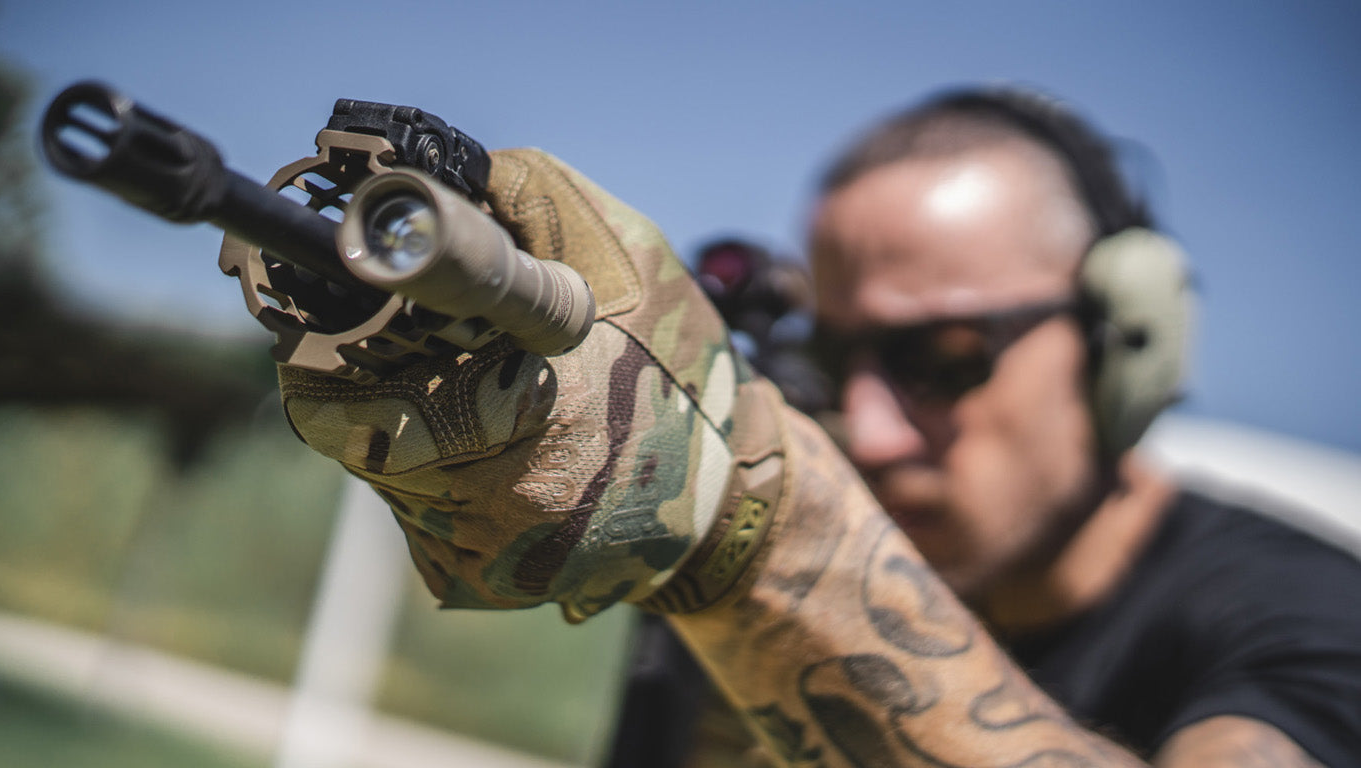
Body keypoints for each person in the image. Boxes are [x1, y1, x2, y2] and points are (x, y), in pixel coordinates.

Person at [277, 87, 1361, 767]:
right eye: (838, 362)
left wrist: (753, 539)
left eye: (942, 361)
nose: (875, 432)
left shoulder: (1313, 618)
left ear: (1128, 340)